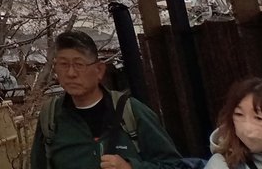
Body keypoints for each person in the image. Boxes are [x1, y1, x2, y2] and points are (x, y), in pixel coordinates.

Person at [32, 30, 185, 169]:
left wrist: (131, 167)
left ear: (99, 70)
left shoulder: (131, 112)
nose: (71, 73)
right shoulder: (50, 118)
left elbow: (175, 165)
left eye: (79, 64)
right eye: (63, 64)